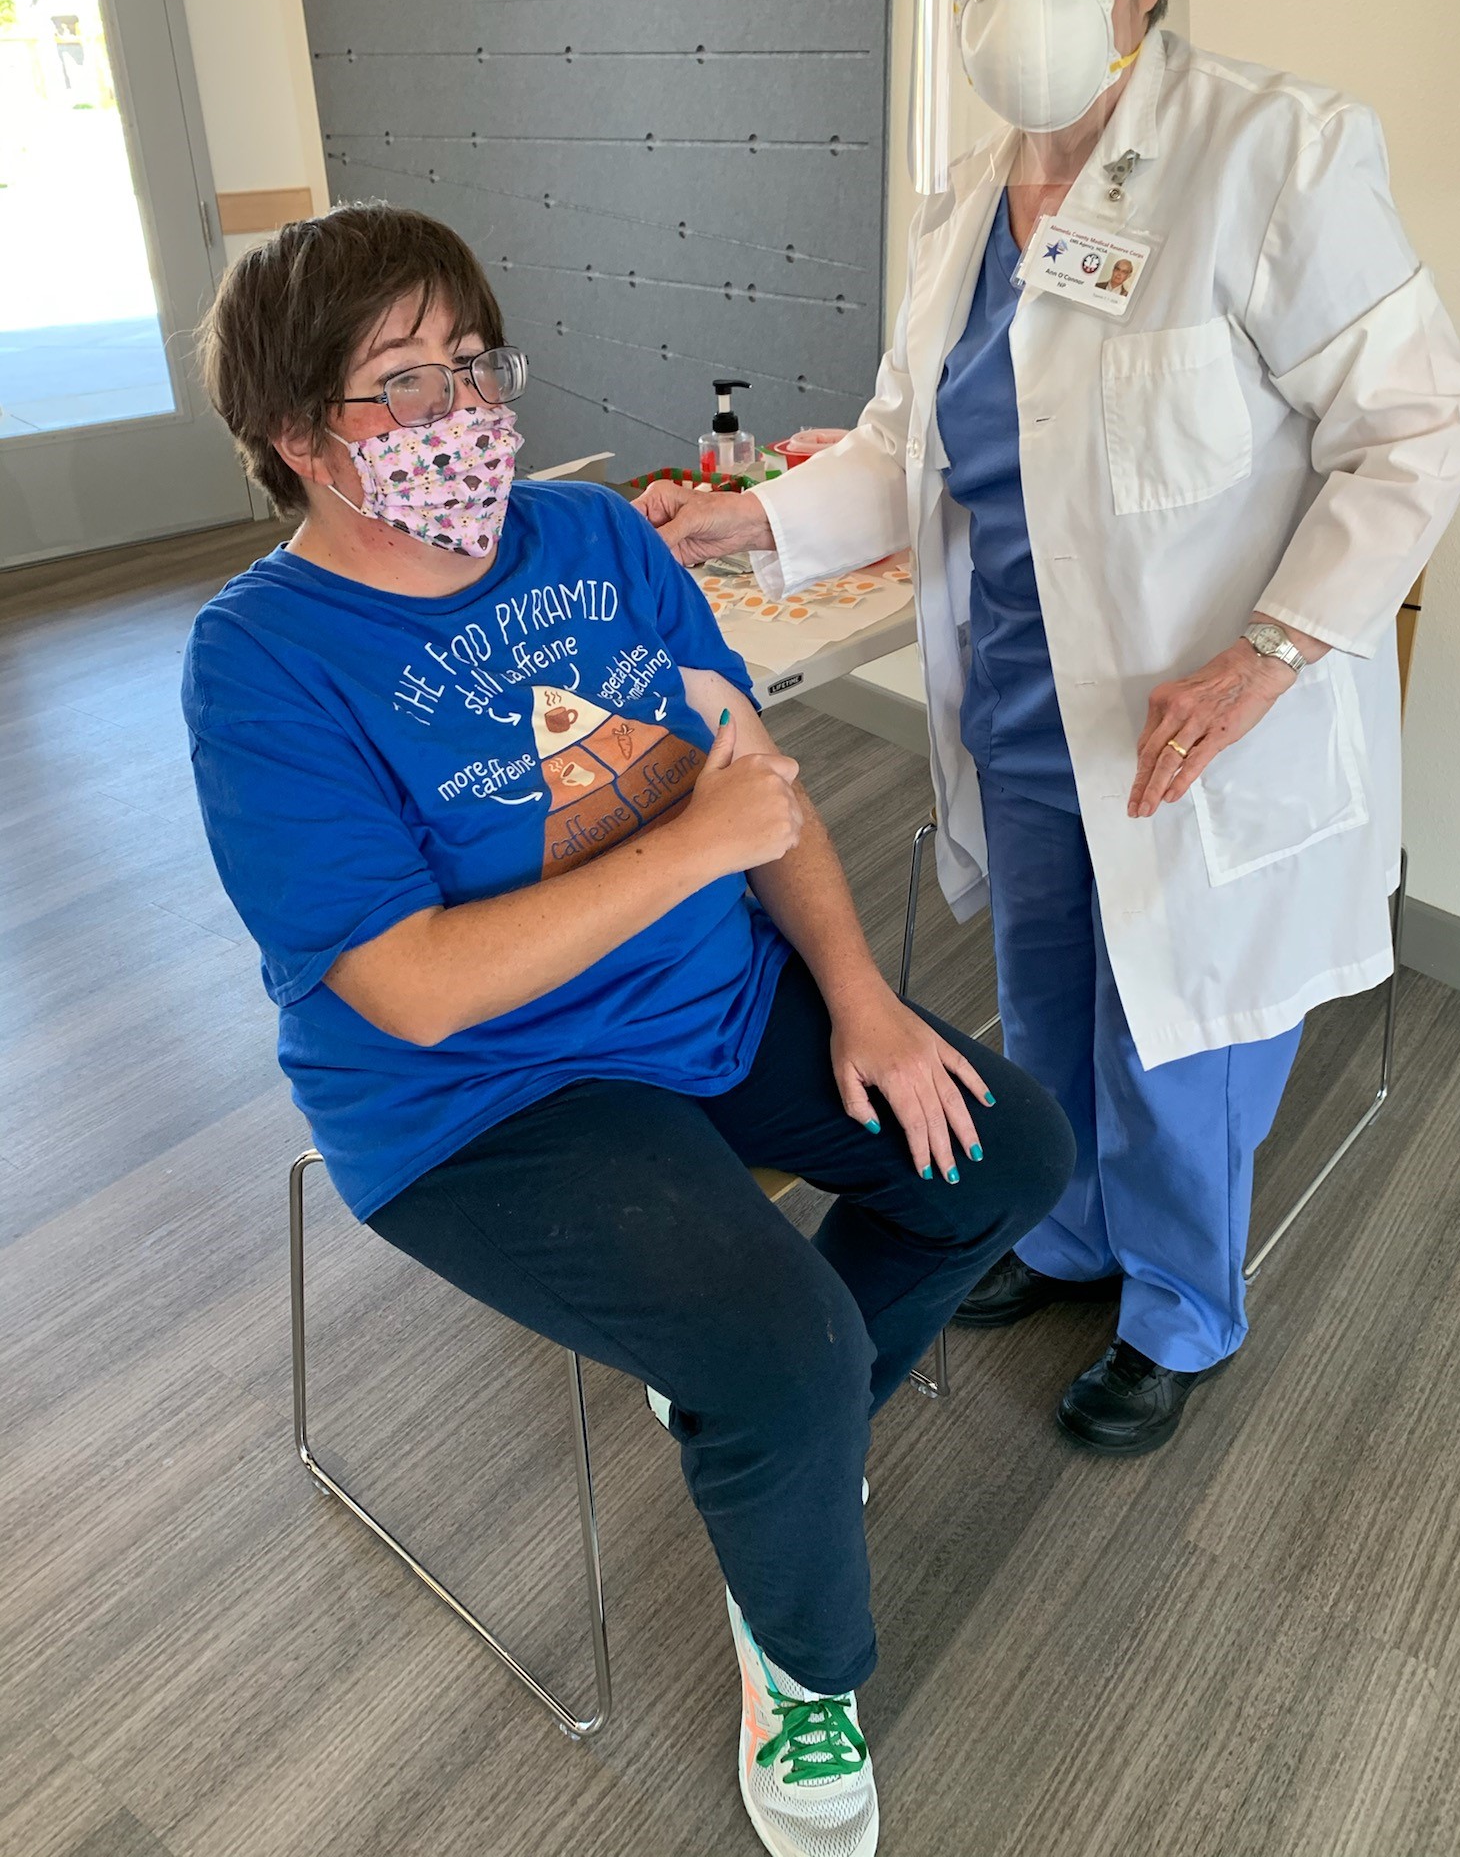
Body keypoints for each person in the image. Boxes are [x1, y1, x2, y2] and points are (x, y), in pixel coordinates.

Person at [182, 202, 1073, 1857]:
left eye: (472, 362)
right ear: (298, 438)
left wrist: (865, 1002)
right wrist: (693, 847)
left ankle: (762, 1427)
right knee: (788, 1341)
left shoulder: (593, 539)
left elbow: (758, 786)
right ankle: (797, 1651)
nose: (459, 416)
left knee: (1005, 1152)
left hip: (707, 1006)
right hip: (483, 1104)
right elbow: (415, 988)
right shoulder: (260, 664)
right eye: (400, 385)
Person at [637, 0, 1460, 1457]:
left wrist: (1273, 656)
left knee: (1182, 1031)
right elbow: (903, 447)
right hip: (1022, 708)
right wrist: (753, 520)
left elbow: (1417, 427)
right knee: (1050, 998)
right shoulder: (965, 213)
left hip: (1204, 723)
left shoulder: (1275, 153)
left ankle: (1179, 1304)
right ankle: (1067, 1229)